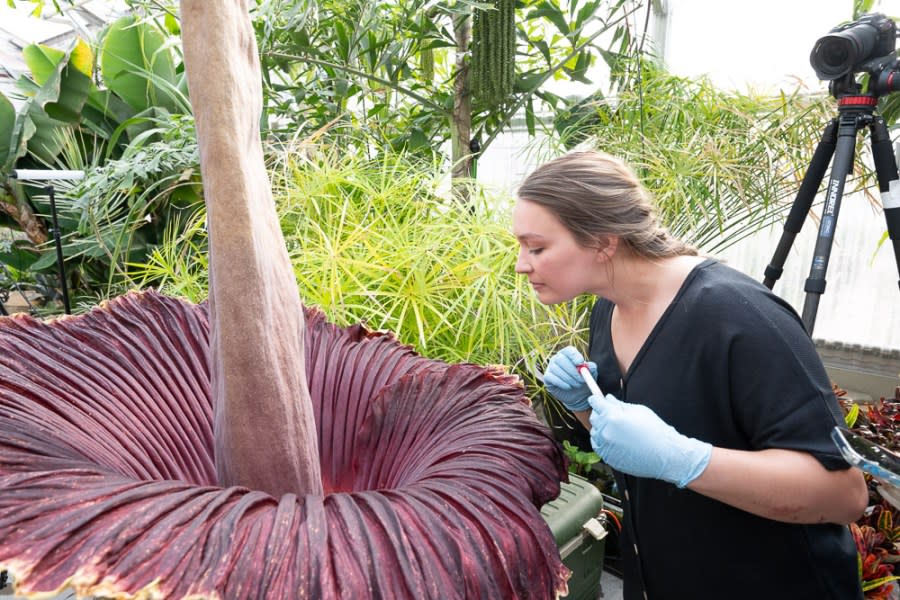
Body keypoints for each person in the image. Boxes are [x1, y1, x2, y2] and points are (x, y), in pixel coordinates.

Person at [513, 150, 868, 600]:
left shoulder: (739, 317)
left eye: (538, 247)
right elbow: (637, 446)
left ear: (603, 241)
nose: (523, 264)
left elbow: (842, 494)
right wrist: (586, 406)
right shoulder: (608, 309)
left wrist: (685, 458)